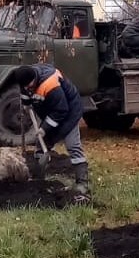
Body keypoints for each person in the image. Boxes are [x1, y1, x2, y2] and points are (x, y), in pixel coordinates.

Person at [12, 63, 90, 203]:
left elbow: (61, 110)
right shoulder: (25, 80)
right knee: (41, 146)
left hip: (69, 113)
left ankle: (82, 183)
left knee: (73, 146)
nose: (27, 89)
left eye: (29, 86)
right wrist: (26, 105)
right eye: (24, 87)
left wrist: (44, 128)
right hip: (51, 112)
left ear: (35, 79)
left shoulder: (50, 84)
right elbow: (26, 96)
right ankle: (38, 180)